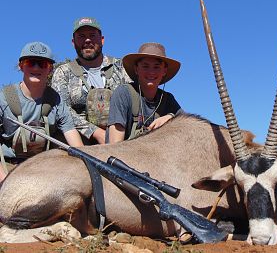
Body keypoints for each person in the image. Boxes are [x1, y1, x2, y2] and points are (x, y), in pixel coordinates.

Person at [0, 41, 83, 181]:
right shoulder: (4, 97)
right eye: (30, 62)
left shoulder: (55, 100)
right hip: (7, 167)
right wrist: (4, 181)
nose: (36, 67)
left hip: (42, 168)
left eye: (43, 64)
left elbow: (75, 141)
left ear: (50, 69)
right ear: (21, 66)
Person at [51, 17, 130, 145]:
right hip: (79, 144)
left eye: (92, 35)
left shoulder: (122, 67)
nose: (87, 40)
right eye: (81, 36)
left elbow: (136, 101)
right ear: (73, 42)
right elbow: (61, 110)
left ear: (102, 40)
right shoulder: (63, 72)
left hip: (121, 141)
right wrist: (95, 132)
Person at [107, 42, 183, 143]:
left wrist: (170, 117)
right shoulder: (124, 93)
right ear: (136, 69)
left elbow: (187, 122)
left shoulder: (168, 99)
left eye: (156, 67)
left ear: (164, 71)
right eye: (145, 66)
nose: (151, 72)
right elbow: (114, 144)